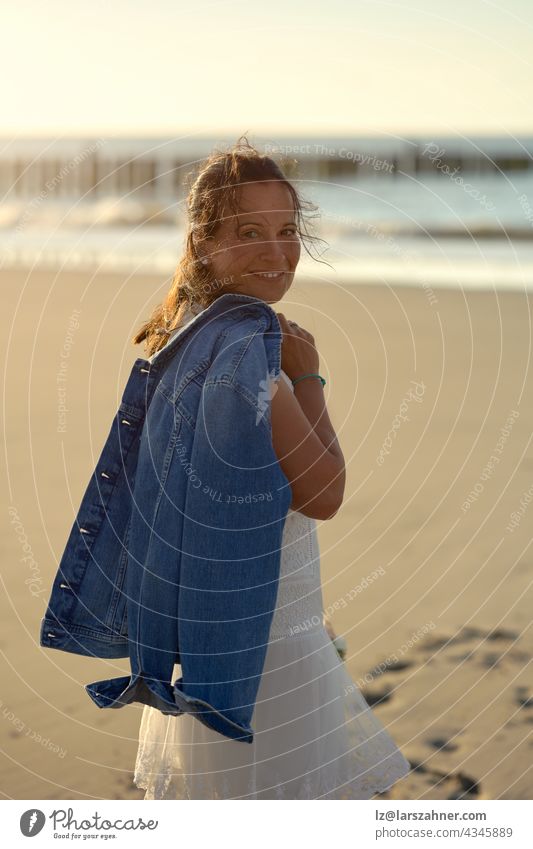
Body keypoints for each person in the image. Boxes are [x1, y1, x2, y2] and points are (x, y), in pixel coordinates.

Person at [132, 136, 411, 799]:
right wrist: (307, 376)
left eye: (287, 229)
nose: (277, 250)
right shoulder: (247, 354)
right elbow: (323, 492)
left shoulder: (190, 331)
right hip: (261, 644)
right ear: (204, 242)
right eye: (249, 231)